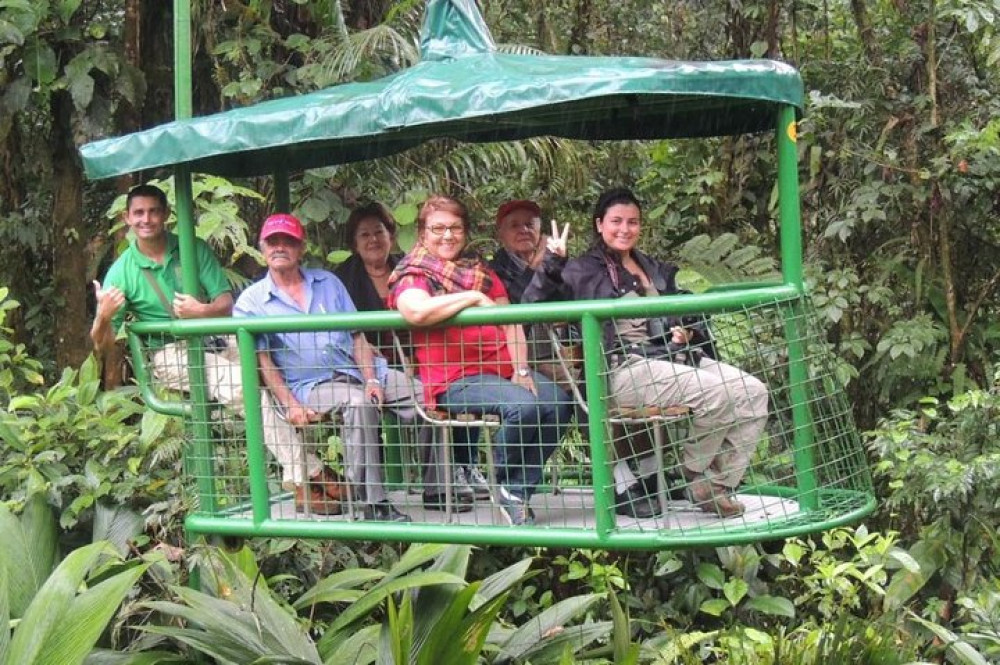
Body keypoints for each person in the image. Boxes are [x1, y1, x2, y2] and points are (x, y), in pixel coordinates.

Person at [90, 185, 333, 515]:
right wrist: (103, 316)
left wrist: (199, 312)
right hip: (170, 353)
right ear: (127, 218)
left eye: (153, 211)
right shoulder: (123, 269)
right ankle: (310, 477)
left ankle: (313, 473)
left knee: (268, 366)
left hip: (210, 337)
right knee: (243, 385)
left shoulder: (191, 249)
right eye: (139, 213)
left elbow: (224, 302)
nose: (146, 219)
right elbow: (101, 343)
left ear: (165, 215)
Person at [555, 187, 768, 518]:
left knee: (753, 393)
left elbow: (685, 308)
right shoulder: (582, 270)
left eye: (633, 222)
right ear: (599, 224)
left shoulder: (652, 267)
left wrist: (687, 326)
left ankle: (716, 484)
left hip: (673, 359)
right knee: (715, 393)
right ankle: (693, 474)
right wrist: (553, 263)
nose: (624, 229)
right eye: (616, 221)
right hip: (622, 368)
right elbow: (538, 304)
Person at [387, 195, 568, 525]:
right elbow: (415, 310)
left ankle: (517, 491)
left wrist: (521, 369)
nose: (447, 235)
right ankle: (507, 482)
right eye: (438, 228)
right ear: (422, 233)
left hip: (502, 369)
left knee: (557, 402)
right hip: (455, 380)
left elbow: (509, 320)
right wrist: (471, 297)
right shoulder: (414, 273)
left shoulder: (479, 270)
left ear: (465, 232)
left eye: (455, 228)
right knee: (523, 408)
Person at [233, 213, 420, 522]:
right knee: (359, 404)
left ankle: (437, 488)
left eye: (288, 241)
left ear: (301, 247)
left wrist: (372, 378)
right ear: (262, 247)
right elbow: (263, 363)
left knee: (422, 394)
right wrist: (290, 404)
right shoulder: (252, 302)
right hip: (311, 385)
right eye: (273, 241)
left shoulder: (328, 282)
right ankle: (373, 503)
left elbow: (357, 335)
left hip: (357, 370)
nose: (280, 247)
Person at [333, 202, 401, 357]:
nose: (373, 239)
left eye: (379, 232)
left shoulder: (408, 268)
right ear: (355, 244)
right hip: (366, 364)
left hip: (415, 362)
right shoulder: (342, 279)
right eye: (365, 235)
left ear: (390, 236)